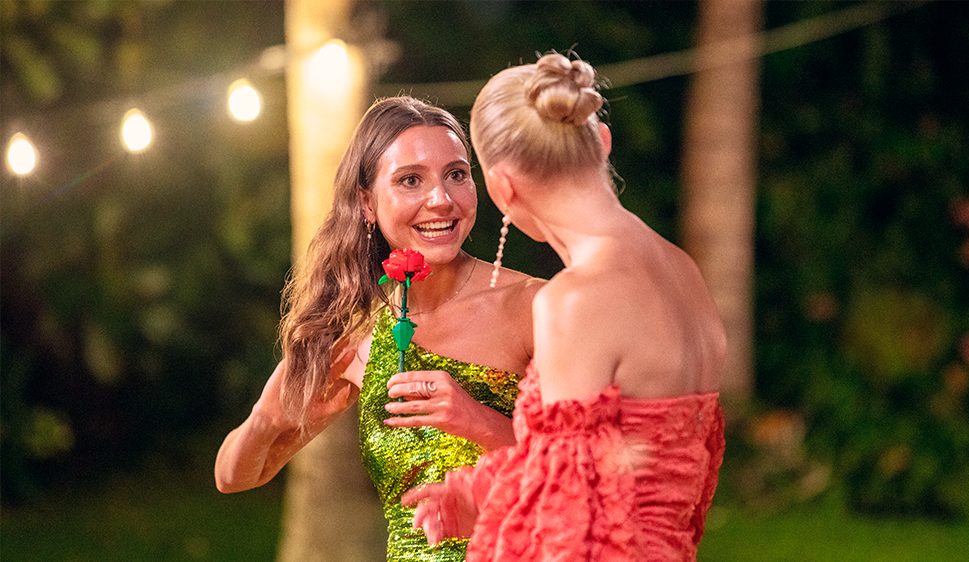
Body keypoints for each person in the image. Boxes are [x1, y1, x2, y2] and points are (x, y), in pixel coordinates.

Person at [402, 53, 728, 562]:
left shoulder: (575, 300)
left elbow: (568, 519)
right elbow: (585, 465)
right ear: (602, 142)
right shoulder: (682, 269)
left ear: (502, 187)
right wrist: (475, 493)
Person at [214, 96, 543, 562]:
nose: (441, 200)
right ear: (366, 202)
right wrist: (266, 419)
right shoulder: (359, 330)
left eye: (456, 174)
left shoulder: (533, 306)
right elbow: (233, 477)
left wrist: (477, 420)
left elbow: (591, 472)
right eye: (411, 180)